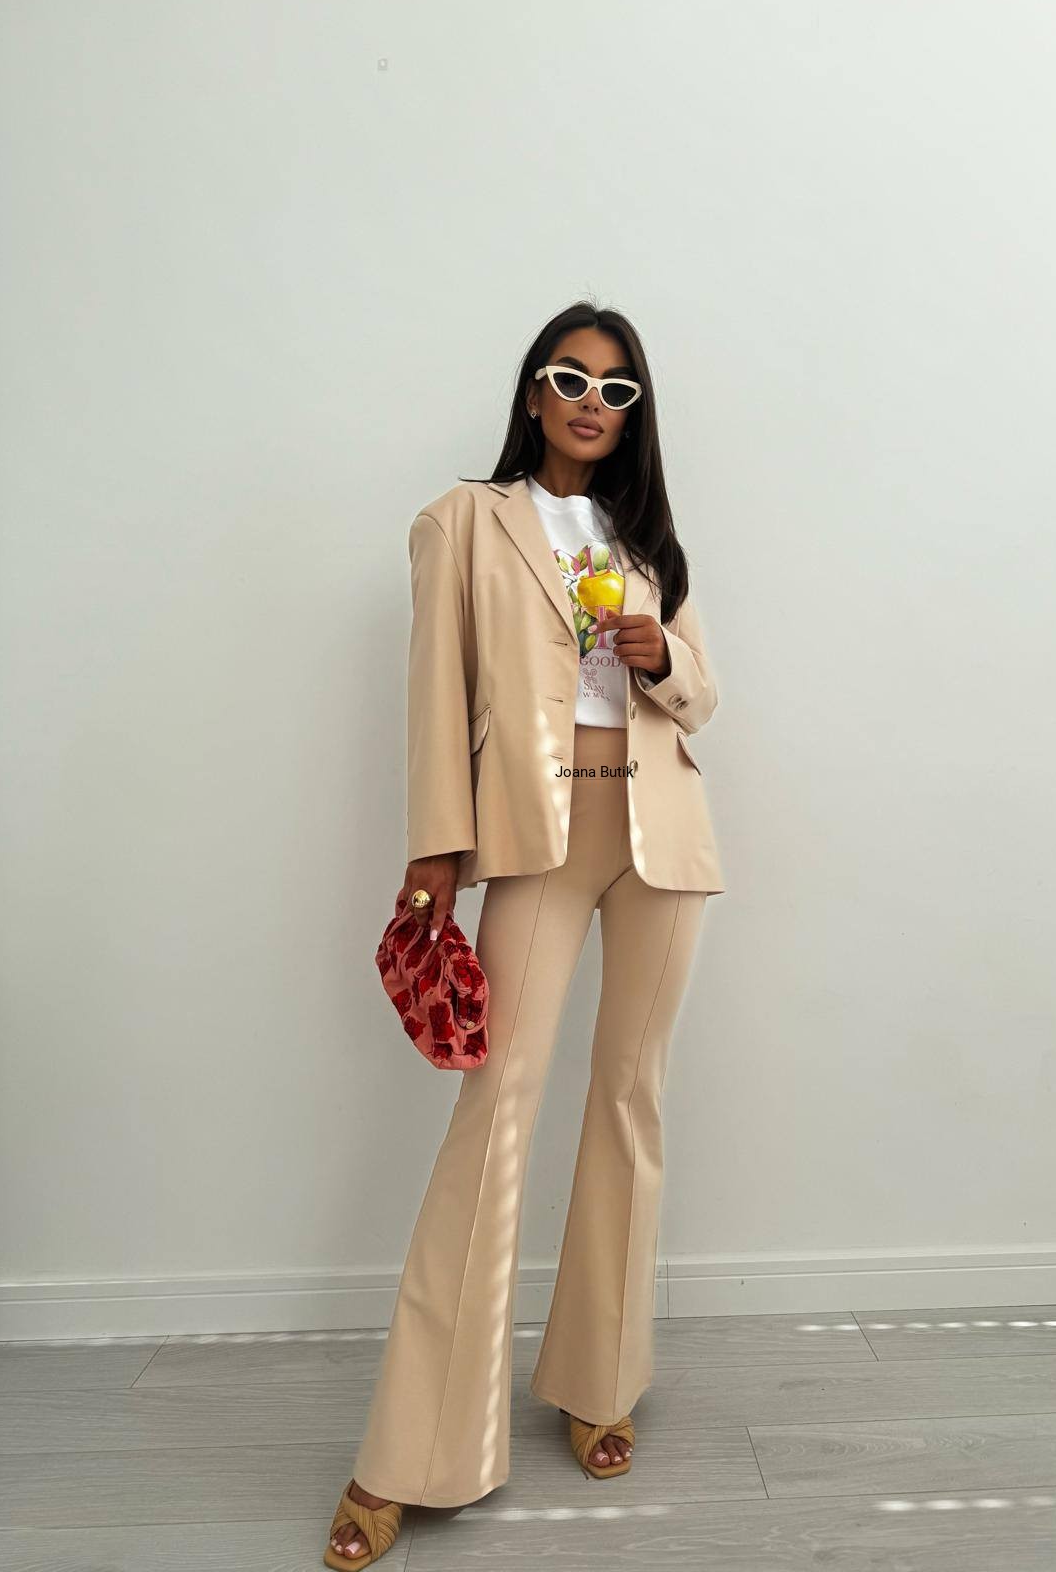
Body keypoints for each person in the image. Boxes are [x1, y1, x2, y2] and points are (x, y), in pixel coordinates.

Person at [325, 300, 725, 1568]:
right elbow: (436, 698)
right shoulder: (464, 521)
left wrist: (660, 657)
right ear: (535, 390)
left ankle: (601, 1380)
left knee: (630, 1100)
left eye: (618, 389)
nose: (593, 403)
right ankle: (412, 1453)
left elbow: (704, 694)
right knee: (496, 1107)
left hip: (659, 834)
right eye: (572, 378)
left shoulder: (649, 540)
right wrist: (433, 856)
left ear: (635, 413)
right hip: (536, 837)